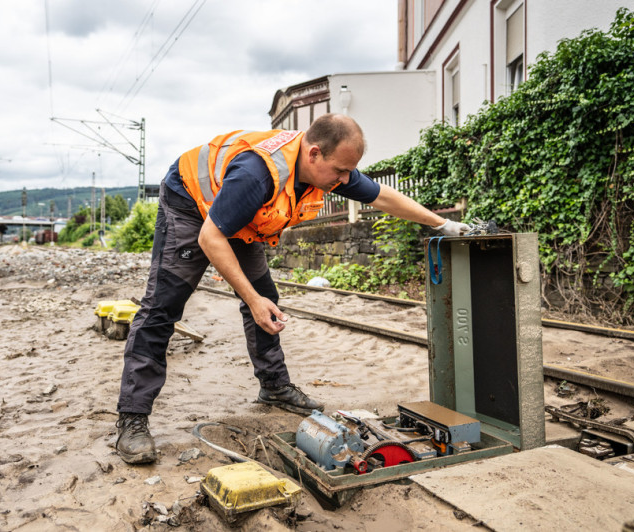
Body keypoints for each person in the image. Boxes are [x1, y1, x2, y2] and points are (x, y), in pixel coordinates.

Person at [115, 114, 470, 464]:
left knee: (267, 297)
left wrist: (444, 224)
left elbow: (382, 197)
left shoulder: (327, 167)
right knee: (163, 306)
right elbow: (211, 237)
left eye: (349, 172)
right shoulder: (256, 174)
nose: (345, 181)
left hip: (237, 216)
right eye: (340, 172)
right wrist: (251, 299)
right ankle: (132, 418)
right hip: (190, 204)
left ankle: (274, 386)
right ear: (314, 153)